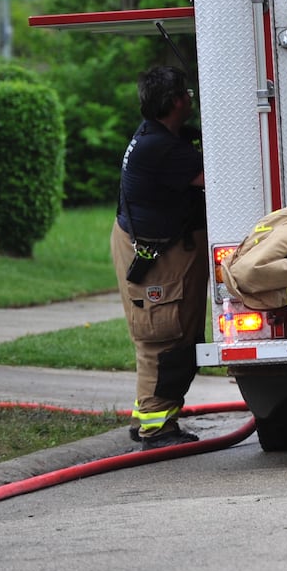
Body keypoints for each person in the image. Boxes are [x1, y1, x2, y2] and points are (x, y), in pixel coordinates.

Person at [110, 66, 208, 449]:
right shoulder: (162, 148)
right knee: (162, 337)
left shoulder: (157, 136)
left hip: (158, 247)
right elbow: (213, 178)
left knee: (170, 333)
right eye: (186, 94)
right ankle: (156, 427)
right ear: (173, 103)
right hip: (157, 254)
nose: (190, 99)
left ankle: (148, 416)